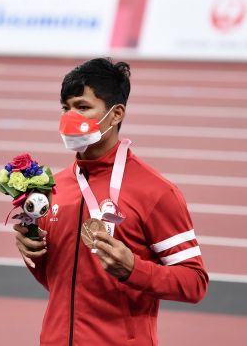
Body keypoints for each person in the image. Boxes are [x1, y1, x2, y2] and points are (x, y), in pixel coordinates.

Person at [14, 58, 208, 345]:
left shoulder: (156, 192)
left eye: (82, 106)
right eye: (65, 108)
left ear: (116, 114)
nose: (69, 116)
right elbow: (57, 283)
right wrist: (32, 252)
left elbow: (194, 284)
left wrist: (134, 269)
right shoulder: (55, 187)